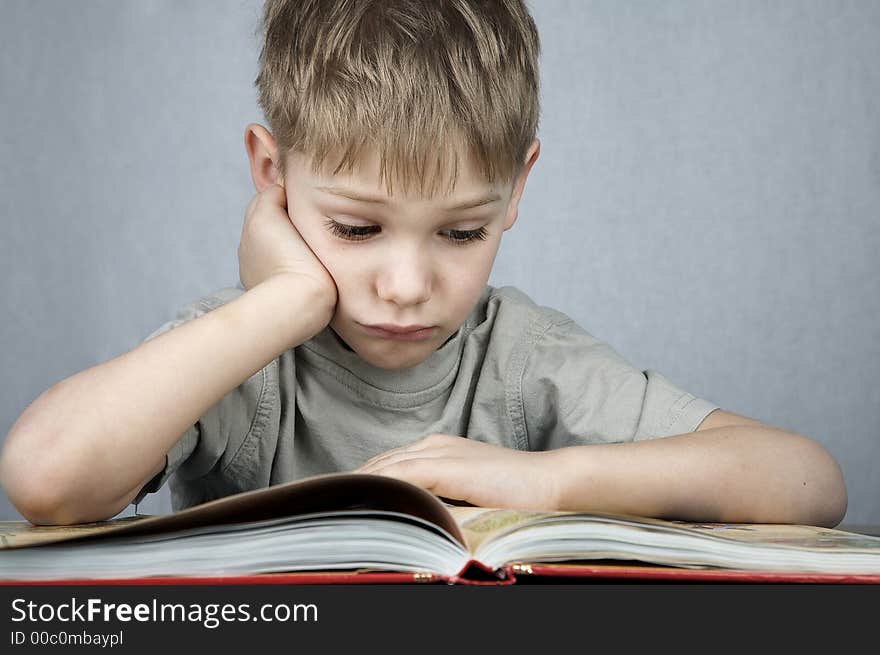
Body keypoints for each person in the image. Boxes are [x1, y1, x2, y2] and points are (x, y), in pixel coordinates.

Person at [0, 0, 847, 528]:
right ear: (273, 175)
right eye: (357, 228)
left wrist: (544, 482)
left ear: (515, 189)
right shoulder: (241, 357)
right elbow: (44, 477)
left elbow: (807, 480)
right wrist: (286, 301)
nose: (406, 287)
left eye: (460, 233)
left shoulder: (520, 359)